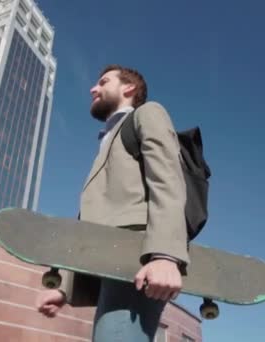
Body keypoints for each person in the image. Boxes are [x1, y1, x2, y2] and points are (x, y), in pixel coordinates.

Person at [35, 65, 189, 341]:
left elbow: (167, 179)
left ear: (128, 88)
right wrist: (67, 289)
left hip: (138, 257)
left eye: (104, 82)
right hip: (112, 260)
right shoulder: (108, 140)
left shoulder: (147, 113)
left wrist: (165, 255)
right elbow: (97, 221)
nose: (93, 89)